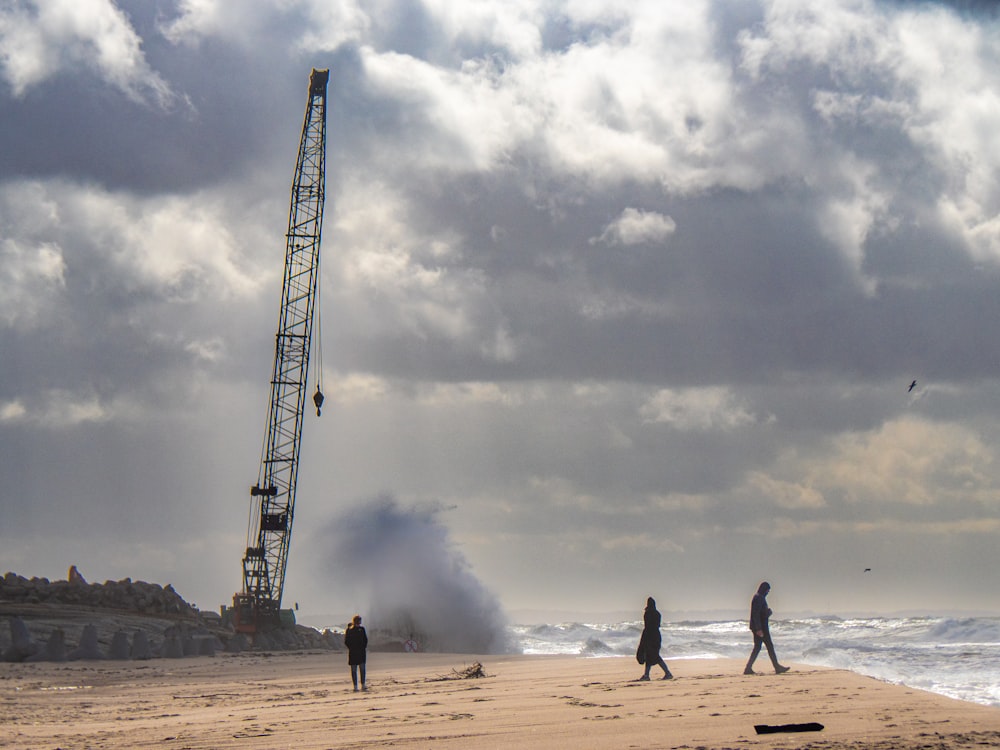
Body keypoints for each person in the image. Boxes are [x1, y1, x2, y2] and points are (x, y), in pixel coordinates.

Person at [744, 582, 790, 675]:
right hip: (761, 628)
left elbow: (758, 613)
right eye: (767, 590)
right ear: (764, 589)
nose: (768, 592)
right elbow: (756, 614)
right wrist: (759, 628)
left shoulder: (758, 597)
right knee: (768, 647)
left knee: (758, 648)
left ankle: (748, 668)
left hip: (759, 627)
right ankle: (776, 667)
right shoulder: (759, 598)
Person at [637, 597, 673, 680]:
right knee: (651, 656)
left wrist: (644, 639)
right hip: (656, 636)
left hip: (649, 636)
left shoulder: (648, 613)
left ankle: (667, 673)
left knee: (653, 656)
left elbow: (647, 626)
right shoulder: (657, 613)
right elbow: (657, 625)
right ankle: (647, 675)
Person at [344, 614, 369, 691]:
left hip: (361, 652)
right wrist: (351, 648)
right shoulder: (349, 630)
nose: (359, 623)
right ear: (354, 622)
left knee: (362, 670)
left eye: (360, 621)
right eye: (358, 621)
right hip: (353, 652)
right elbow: (346, 641)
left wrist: (363, 647)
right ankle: (355, 686)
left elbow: (365, 640)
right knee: (354, 670)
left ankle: (363, 685)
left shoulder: (362, 629)